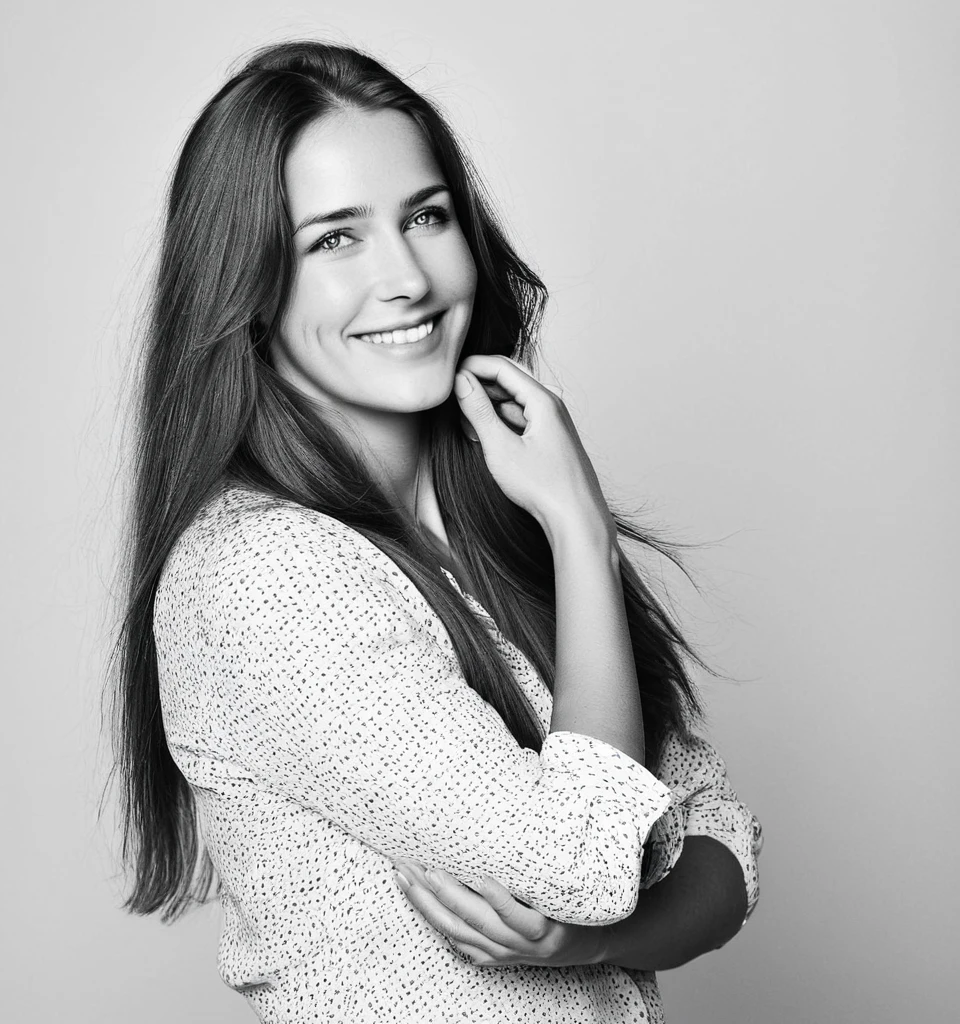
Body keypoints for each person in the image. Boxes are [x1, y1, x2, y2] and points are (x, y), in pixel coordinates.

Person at [113, 39, 762, 1023]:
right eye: (335, 238)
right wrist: (580, 529)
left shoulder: (486, 525)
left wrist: (595, 942)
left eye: (425, 216)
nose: (407, 277)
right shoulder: (263, 574)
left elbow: (715, 834)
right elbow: (584, 860)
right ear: (248, 284)